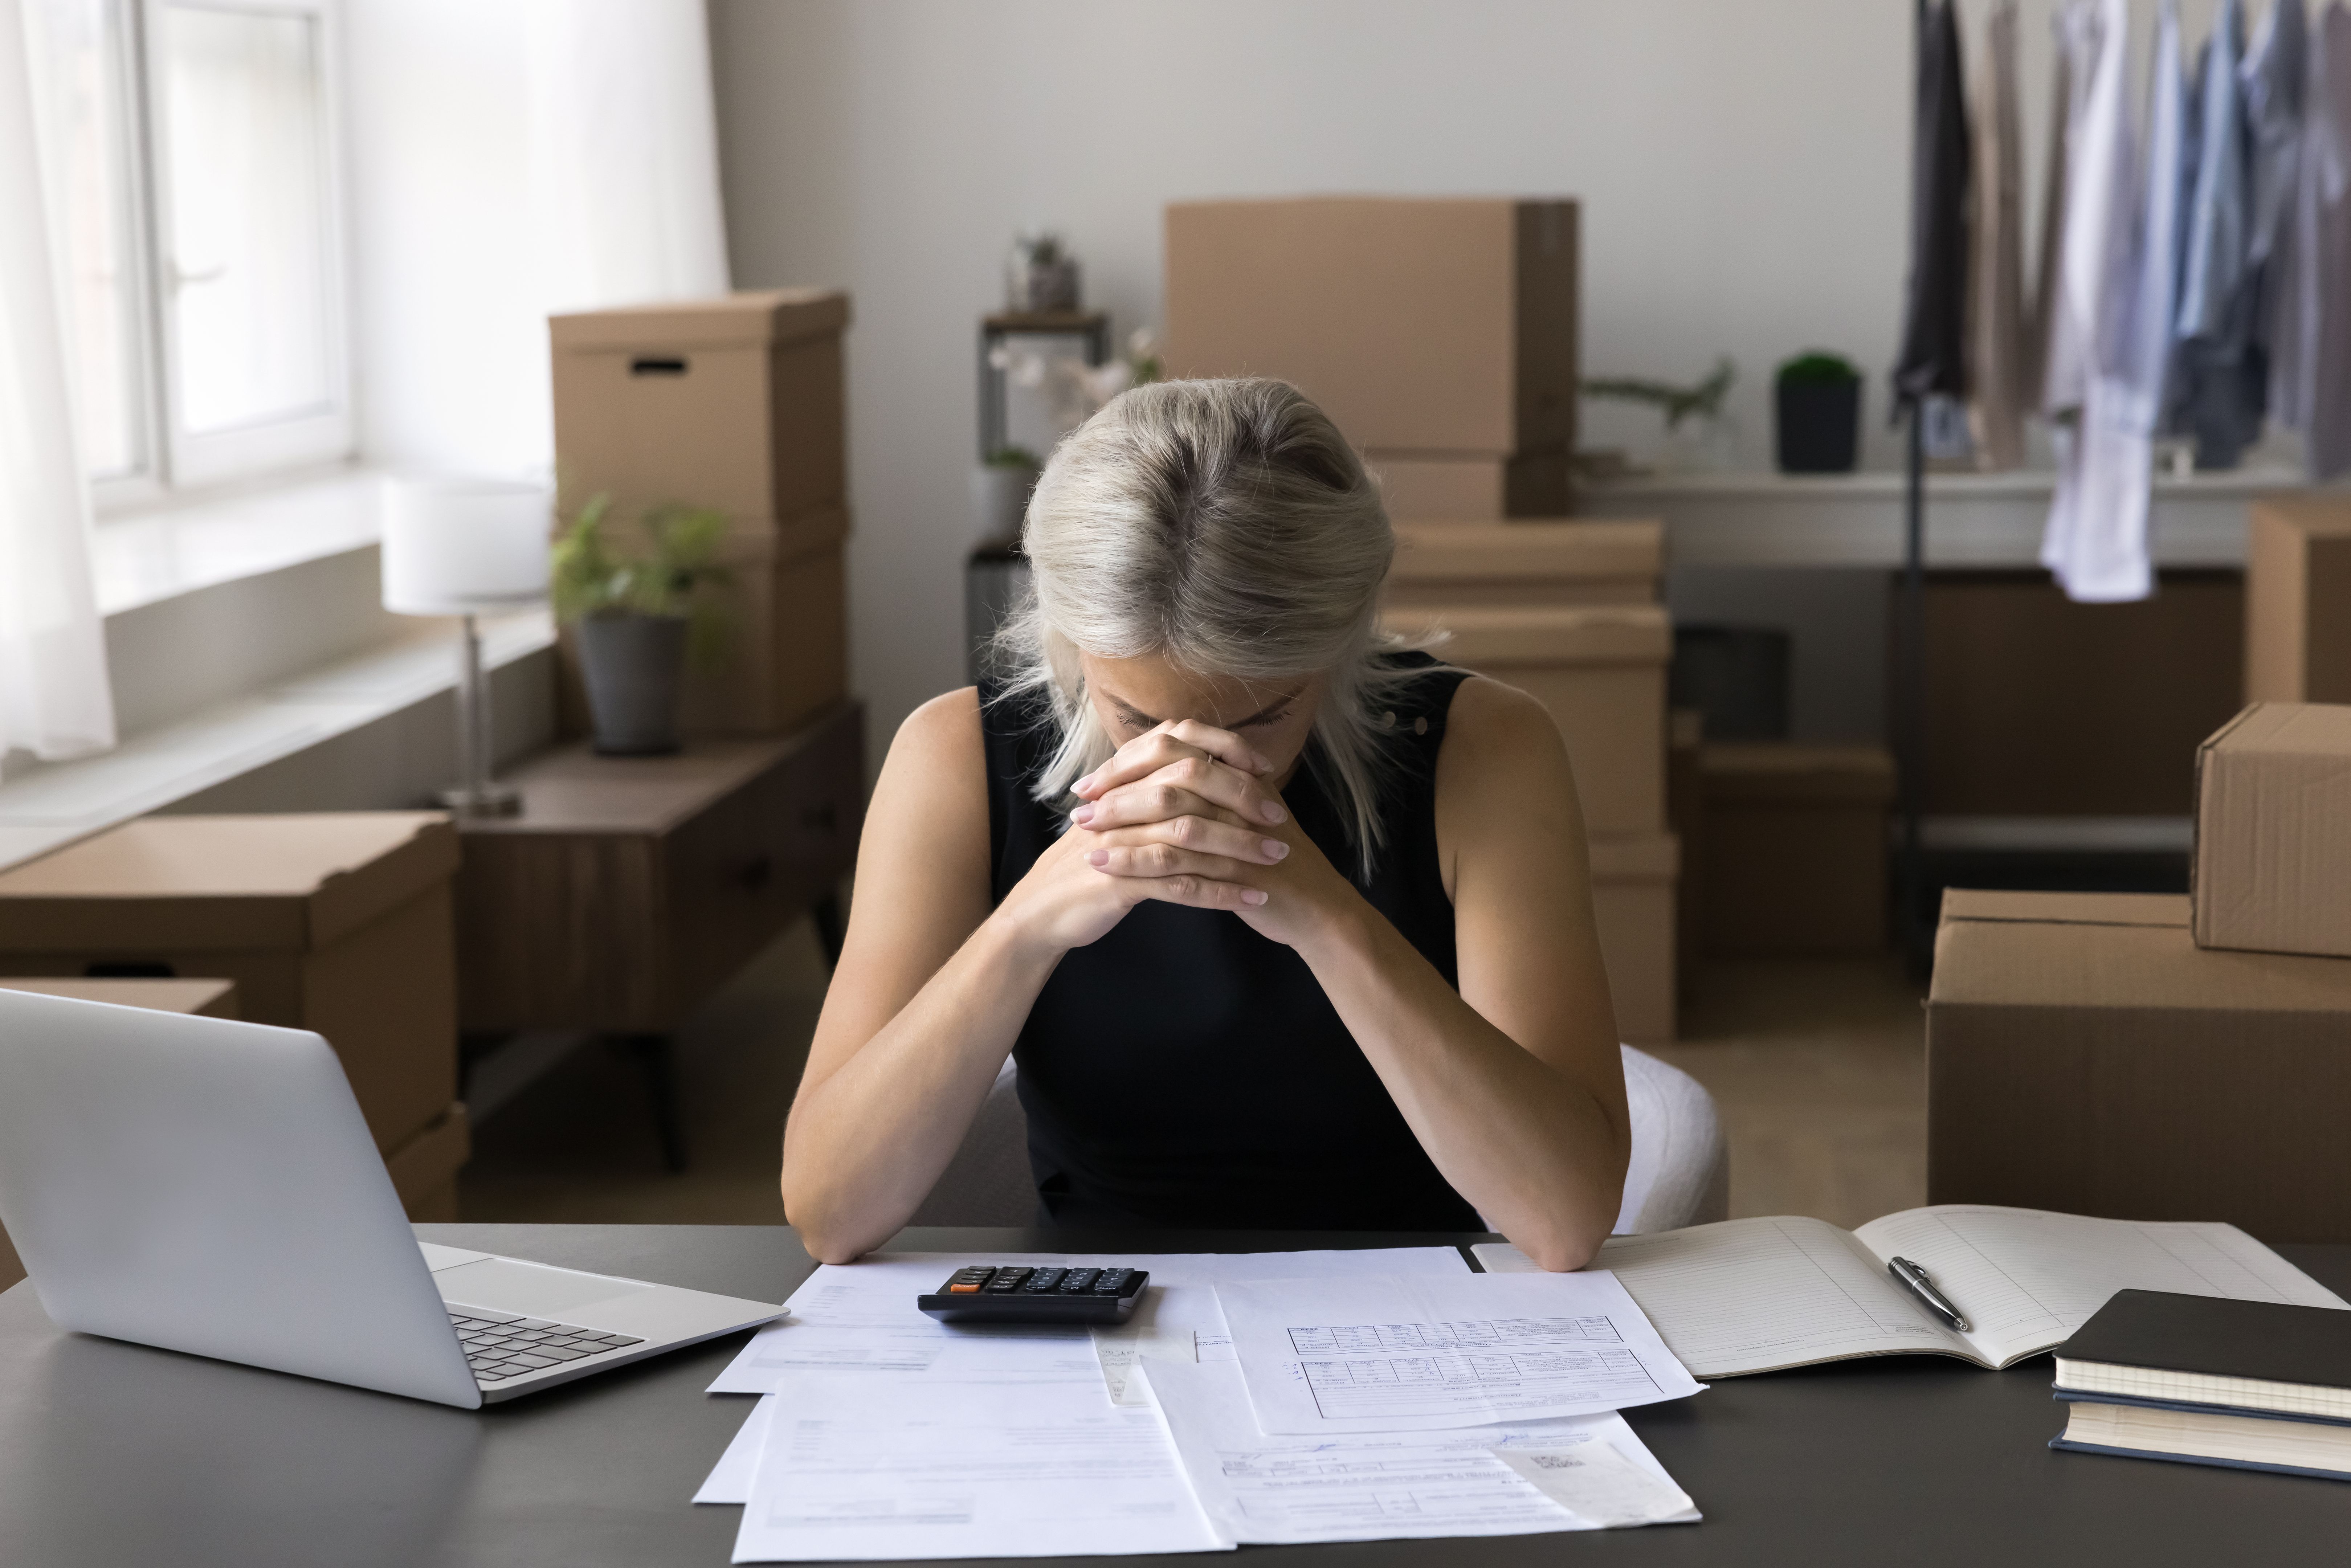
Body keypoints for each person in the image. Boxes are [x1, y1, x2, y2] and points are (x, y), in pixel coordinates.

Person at [783, 378, 1628, 1269]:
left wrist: (1328, 923)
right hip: (1096, 1327)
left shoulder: (1481, 750)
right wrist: (1026, 926)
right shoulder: (956, 758)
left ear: (1338, 643)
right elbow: (830, 1210)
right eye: (1139, 722)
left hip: (1414, 1318)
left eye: (1262, 717)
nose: (1200, 769)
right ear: (1069, 645)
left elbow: (1563, 1217)